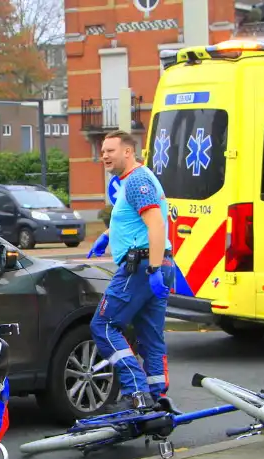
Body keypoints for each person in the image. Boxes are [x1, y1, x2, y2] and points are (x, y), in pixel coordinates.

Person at [86, 130, 175, 413]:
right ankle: (155, 396)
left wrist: (152, 268)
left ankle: (136, 391)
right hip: (155, 265)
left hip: (141, 268)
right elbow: (138, 218)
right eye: (102, 151)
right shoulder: (135, 179)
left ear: (128, 152)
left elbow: (156, 225)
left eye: (110, 151)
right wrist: (109, 235)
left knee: (103, 325)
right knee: (150, 336)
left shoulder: (136, 180)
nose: (104, 156)